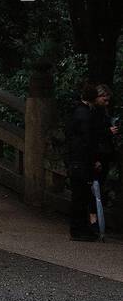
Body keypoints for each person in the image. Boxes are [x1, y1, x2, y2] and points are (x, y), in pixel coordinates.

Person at [67, 81, 102, 241]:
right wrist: (93, 159)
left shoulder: (76, 111)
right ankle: (79, 229)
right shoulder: (86, 115)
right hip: (82, 161)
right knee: (81, 197)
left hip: (75, 159)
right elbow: (88, 141)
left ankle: (78, 228)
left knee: (78, 196)